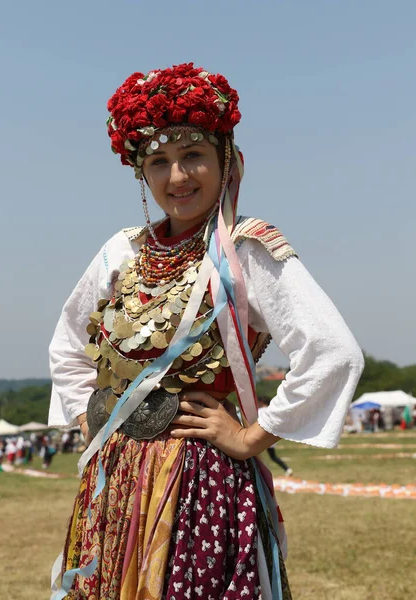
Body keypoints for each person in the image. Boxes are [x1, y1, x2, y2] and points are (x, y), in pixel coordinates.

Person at [49, 63, 364, 599]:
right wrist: (88, 418)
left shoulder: (245, 251)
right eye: (159, 162)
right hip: (114, 482)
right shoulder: (121, 251)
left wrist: (250, 436)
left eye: (192, 155)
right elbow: (67, 346)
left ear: (226, 160)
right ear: (142, 175)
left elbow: (334, 352)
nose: (177, 177)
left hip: (199, 483)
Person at [257, 397, 293, 476]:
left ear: (262, 402)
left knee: (258, 457)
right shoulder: (272, 410)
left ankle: (261, 474)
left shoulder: (259, 411)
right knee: (273, 457)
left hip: (260, 437)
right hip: (271, 437)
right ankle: (287, 469)